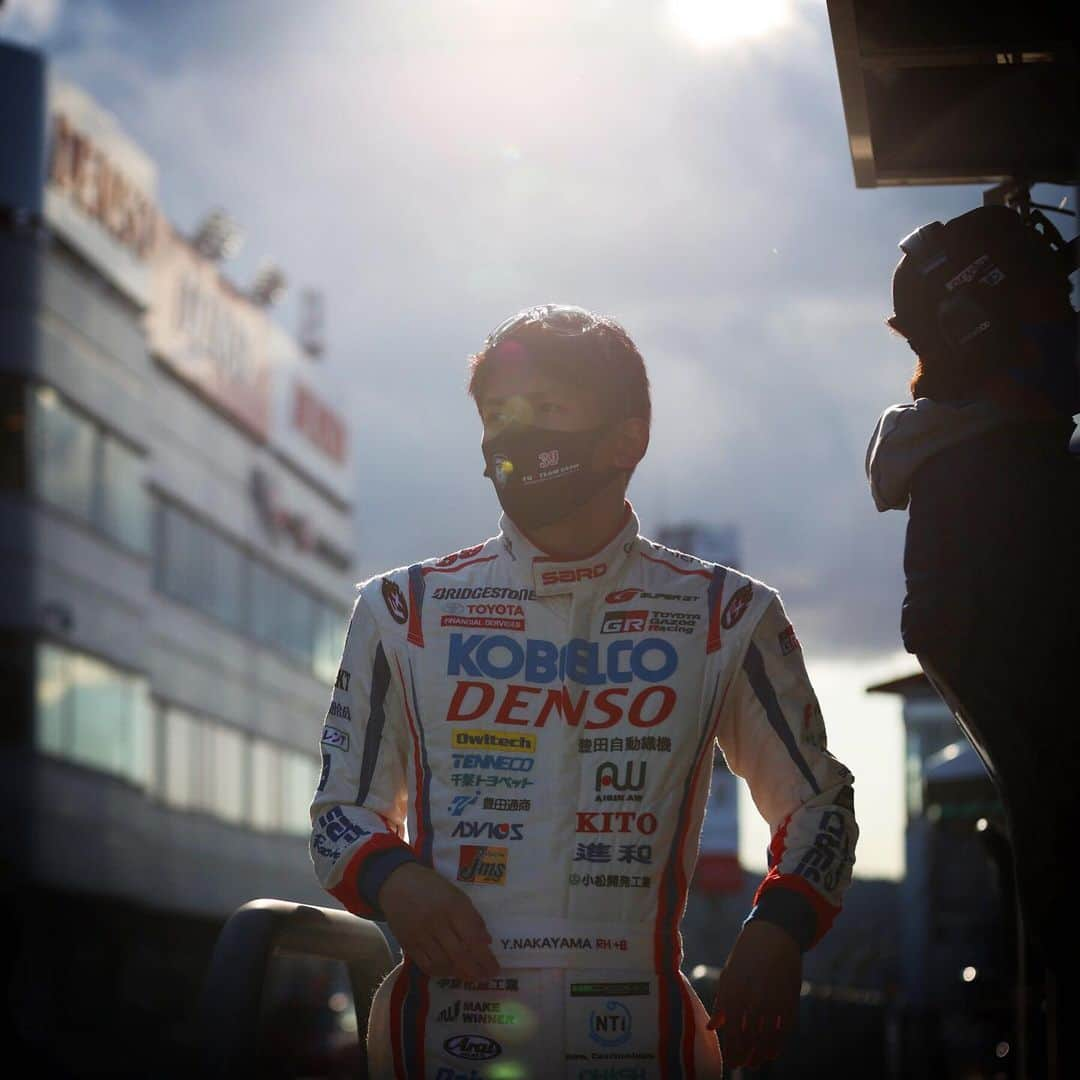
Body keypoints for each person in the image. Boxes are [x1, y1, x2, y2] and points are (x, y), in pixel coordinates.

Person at [310, 304, 859, 1077]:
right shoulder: (403, 611)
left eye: (546, 410)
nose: (513, 435)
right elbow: (339, 815)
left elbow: (821, 805)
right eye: (497, 415)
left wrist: (778, 929)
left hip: (647, 1044)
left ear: (626, 439)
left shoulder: (726, 615)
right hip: (438, 1045)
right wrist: (396, 881)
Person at [865, 202, 1080, 1077]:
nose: (1070, 325)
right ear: (981, 326)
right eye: (1049, 305)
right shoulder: (1008, 489)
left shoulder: (982, 468)